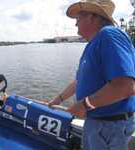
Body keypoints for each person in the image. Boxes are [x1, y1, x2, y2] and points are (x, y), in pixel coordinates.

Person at [48, 0, 135, 150]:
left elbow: (125, 87)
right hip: (97, 122)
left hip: (109, 125)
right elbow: (79, 80)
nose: (75, 24)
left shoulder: (109, 34)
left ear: (90, 17)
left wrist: (84, 104)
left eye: (78, 18)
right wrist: (58, 99)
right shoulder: (93, 44)